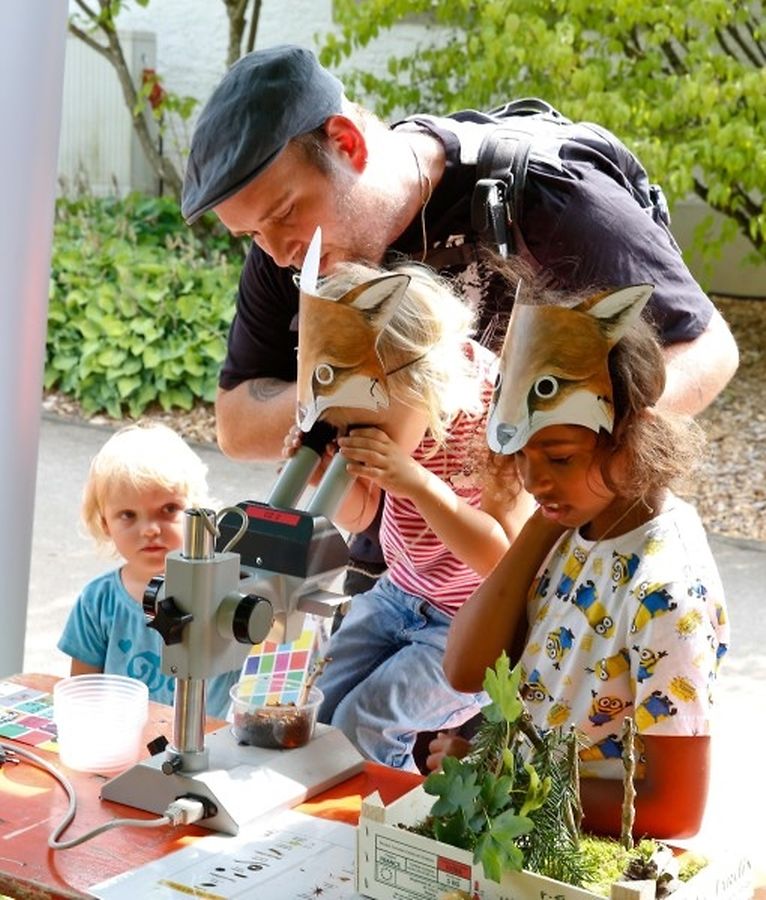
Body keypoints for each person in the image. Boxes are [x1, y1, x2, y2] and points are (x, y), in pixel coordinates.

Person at [180, 43, 737, 591]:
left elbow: (707, 350)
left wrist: (551, 451)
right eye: (252, 234)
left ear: (346, 143)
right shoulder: (295, 250)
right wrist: (349, 385)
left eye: (283, 213)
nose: (278, 253)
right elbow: (236, 422)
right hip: (398, 574)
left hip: (544, 576)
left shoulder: (546, 194)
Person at [439, 271, 729, 839]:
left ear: (632, 435)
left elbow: (675, 809)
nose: (534, 480)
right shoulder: (580, 522)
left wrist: (509, 780)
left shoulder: (667, 592)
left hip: (589, 851)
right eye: (520, 457)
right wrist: (539, 530)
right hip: (532, 826)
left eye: (561, 457)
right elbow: (465, 670)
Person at [284, 258, 535, 772]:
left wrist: (419, 483)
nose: (356, 437)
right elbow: (363, 516)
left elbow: (500, 561)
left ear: (422, 378)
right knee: (314, 704)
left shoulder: (494, 415)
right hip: (402, 592)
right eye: (341, 427)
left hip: (471, 622)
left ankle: (379, 833)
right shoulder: (399, 418)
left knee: (366, 721)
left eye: (364, 426)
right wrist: (325, 476)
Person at [57, 423, 240, 720]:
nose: (151, 529)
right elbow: (81, 695)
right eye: (128, 515)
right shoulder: (97, 601)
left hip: (211, 745)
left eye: (168, 509)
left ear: (196, 511)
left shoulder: (225, 594)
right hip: (122, 747)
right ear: (106, 524)